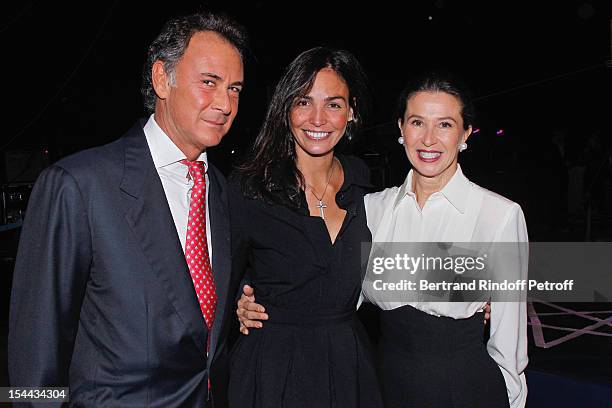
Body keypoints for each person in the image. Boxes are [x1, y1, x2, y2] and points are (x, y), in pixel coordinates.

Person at [238, 72, 527, 408]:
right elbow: (334, 285)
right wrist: (252, 298)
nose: (429, 139)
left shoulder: (500, 216)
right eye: (418, 122)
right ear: (401, 129)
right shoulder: (372, 208)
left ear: (465, 134)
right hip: (382, 386)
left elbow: (510, 347)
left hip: (466, 389)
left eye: (445, 125)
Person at [9, 11, 248, 407]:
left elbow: (199, 309)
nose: (225, 103)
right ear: (161, 80)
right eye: (209, 82)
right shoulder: (77, 185)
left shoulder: (224, 193)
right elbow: (34, 351)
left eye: (236, 89)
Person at [227, 47, 383, 407]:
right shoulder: (249, 188)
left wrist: (474, 292)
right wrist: (239, 301)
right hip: (274, 370)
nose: (318, 118)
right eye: (303, 102)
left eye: (333, 104)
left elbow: (401, 258)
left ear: (351, 112)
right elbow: (220, 275)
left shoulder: (364, 183)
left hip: (348, 366)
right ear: (286, 110)